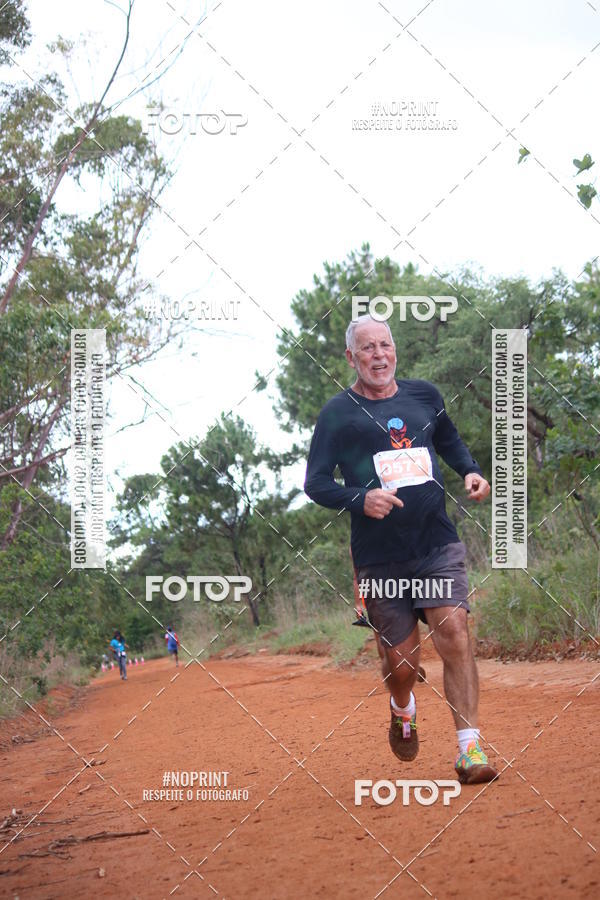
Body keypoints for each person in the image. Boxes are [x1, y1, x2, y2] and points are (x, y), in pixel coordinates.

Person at [304, 314, 498, 785]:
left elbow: (447, 439)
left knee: (453, 632)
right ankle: (402, 706)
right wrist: (360, 498)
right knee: (402, 664)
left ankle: (469, 751)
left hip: (435, 541)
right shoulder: (337, 414)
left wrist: (470, 470)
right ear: (351, 358)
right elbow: (315, 483)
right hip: (379, 555)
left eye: (385, 345)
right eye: (367, 348)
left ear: (395, 350)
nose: (378, 355)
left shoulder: (424, 396)